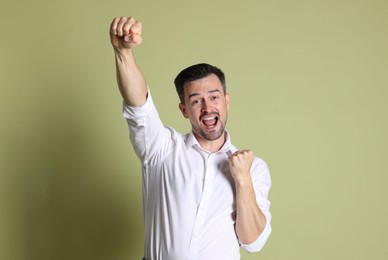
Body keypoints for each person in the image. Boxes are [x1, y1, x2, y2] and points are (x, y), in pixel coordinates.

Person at [109, 16, 272, 260]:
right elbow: (139, 108)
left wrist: (242, 180)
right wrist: (123, 53)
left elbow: (253, 242)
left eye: (214, 97)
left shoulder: (254, 169)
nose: (207, 108)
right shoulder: (162, 149)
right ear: (184, 110)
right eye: (196, 100)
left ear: (226, 101)